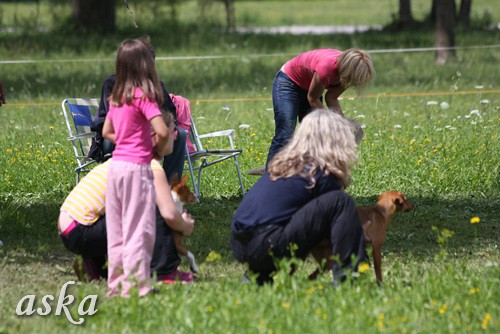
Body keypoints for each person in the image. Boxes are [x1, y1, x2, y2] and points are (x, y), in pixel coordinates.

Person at [58, 108, 196, 288]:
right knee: (152, 208)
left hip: (69, 226)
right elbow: (169, 214)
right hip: (83, 229)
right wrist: (185, 225)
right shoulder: (150, 166)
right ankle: (165, 272)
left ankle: (93, 266)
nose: (177, 136)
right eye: (173, 131)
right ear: (156, 136)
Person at [231, 109, 367, 286]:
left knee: (279, 218)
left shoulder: (284, 165)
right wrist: (355, 234)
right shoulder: (322, 172)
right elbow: (330, 222)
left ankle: (256, 277)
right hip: (268, 244)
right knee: (340, 201)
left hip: (239, 243)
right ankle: (347, 279)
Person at [102, 38, 172, 297]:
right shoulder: (144, 98)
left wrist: (127, 140)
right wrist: (155, 146)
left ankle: (116, 285)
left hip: (116, 167)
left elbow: (107, 131)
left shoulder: (117, 98)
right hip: (136, 169)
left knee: (117, 229)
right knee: (138, 229)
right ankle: (136, 287)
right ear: (146, 65)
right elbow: (163, 130)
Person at [248, 48, 374, 175]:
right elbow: (312, 98)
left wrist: (342, 126)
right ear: (347, 70)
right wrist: (331, 123)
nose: (352, 83)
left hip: (311, 86)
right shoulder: (327, 68)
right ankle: (271, 174)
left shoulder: (348, 75)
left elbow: (331, 97)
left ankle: (307, 176)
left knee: (314, 134)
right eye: (353, 79)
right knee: (286, 131)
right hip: (288, 82)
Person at [90, 35, 187, 182]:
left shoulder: (155, 85)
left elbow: (170, 112)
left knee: (179, 134)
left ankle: (171, 186)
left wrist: (154, 129)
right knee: (109, 143)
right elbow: (102, 124)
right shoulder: (113, 85)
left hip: (150, 132)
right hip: (122, 135)